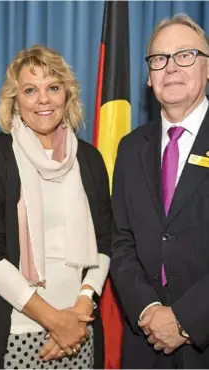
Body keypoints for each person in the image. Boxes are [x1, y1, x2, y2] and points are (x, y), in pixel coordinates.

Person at [0, 45, 112, 369]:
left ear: (66, 95)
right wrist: (54, 320)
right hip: (12, 335)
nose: (43, 99)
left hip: (78, 332)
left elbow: (105, 241)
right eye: (30, 90)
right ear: (14, 99)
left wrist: (81, 308)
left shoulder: (89, 159)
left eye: (53, 87)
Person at [110, 14, 209, 369]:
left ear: (207, 68)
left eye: (185, 55)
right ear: (149, 78)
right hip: (144, 341)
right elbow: (120, 241)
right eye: (159, 59)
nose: (171, 68)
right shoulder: (130, 147)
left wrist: (185, 318)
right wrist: (149, 309)